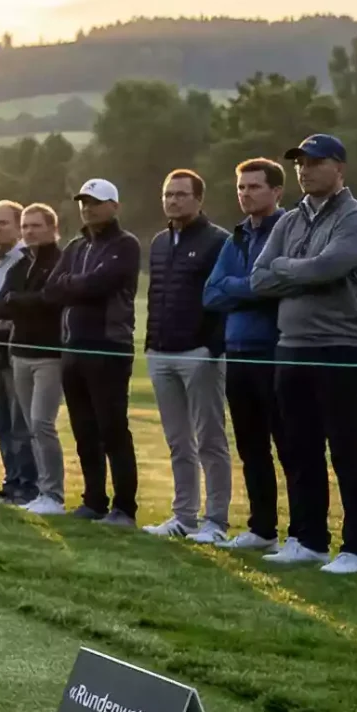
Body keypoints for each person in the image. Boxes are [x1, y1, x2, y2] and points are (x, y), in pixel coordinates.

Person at [252, 134, 357, 574]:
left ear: (339, 168)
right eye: (300, 163)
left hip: (339, 349)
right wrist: (297, 272)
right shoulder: (289, 221)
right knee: (299, 448)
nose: (304, 169)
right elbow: (257, 280)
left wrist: (286, 268)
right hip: (291, 348)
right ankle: (309, 540)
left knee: (345, 449)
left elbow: (329, 267)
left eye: (315, 162)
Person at [204, 158, 291, 551]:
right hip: (237, 351)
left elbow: (278, 285)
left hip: (274, 351)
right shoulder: (236, 236)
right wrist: (251, 287)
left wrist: (243, 288)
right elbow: (212, 293)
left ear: (276, 191)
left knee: (290, 446)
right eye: (241, 187)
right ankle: (263, 531)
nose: (245, 193)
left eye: (254, 187)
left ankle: (306, 536)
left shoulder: (290, 231)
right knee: (251, 446)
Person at [45, 179, 142, 526]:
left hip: (108, 347)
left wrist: (74, 285)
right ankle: (94, 500)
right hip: (73, 347)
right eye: (84, 202)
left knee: (112, 428)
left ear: (114, 206)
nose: (88, 208)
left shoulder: (125, 245)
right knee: (84, 429)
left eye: (96, 202)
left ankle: (124, 507)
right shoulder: (75, 246)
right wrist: (77, 285)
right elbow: (52, 289)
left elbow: (102, 284)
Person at [143, 170, 233, 541]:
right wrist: (150, 342)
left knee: (210, 439)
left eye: (181, 194)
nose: (173, 200)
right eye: (168, 194)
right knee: (178, 441)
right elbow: (155, 295)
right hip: (160, 353)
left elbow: (223, 298)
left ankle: (216, 522)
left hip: (199, 353)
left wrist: (212, 347)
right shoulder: (160, 242)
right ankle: (184, 517)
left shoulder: (219, 241)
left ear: (198, 199)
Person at [0, 203, 70, 514]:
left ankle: (53, 494)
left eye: (36, 226)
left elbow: (52, 300)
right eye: (25, 226)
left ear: (52, 229)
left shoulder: (60, 261)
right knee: (29, 425)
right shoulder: (18, 265)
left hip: (49, 354)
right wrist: (25, 301)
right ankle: (41, 490)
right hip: (20, 353)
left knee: (42, 423)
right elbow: (1, 305)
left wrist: (19, 301)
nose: (29, 231)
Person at [0, 200, 41, 503]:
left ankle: (27, 484)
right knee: (1, 422)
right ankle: (10, 480)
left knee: (20, 423)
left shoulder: (23, 261)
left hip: (11, 351)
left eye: (3, 222)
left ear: (18, 226)